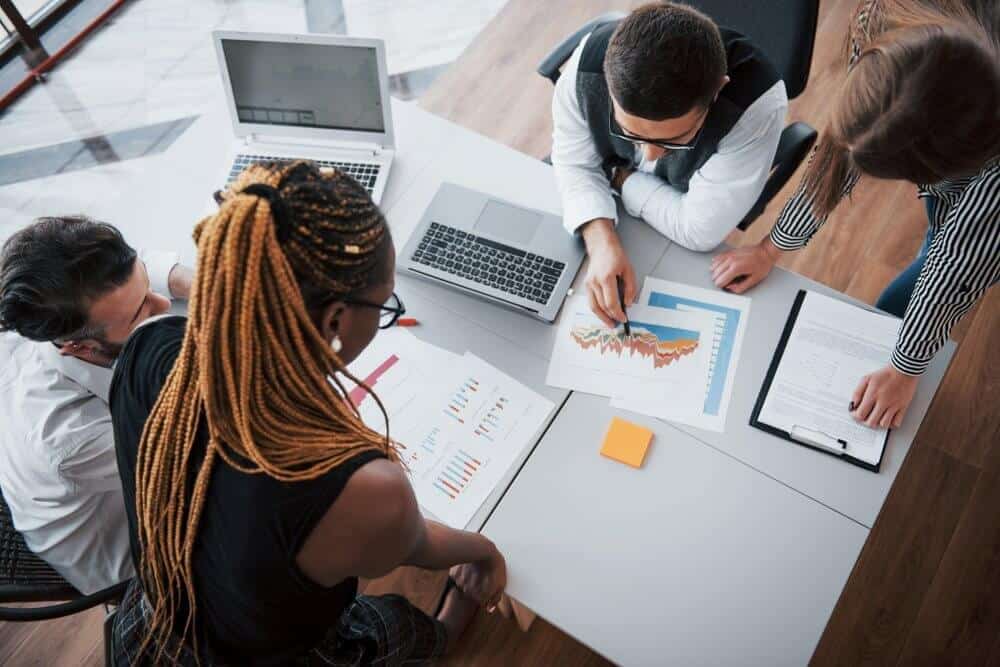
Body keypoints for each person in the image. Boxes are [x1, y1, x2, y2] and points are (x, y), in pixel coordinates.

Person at [108, 161, 506, 665]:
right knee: (402, 628)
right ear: (336, 318)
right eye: (385, 305)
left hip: (155, 620)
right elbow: (417, 544)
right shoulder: (364, 490)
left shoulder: (151, 345)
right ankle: (446, 634)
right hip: (274, 655)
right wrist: (484, 551)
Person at [711, 0, 1000, 429]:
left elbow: (958, 261)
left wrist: (905, 368)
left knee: (925, 273)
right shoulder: (880, 20)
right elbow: (846, 142)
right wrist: (773, 247)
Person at [552, 1, 788, 327]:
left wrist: (617, 177)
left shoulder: (756, 109)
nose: (648, 155)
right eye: (630, 132)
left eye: (674, 139)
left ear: (717, 90)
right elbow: (572, 163)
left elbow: (697, 230)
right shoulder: (585, 70)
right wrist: (600, 241)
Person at [0, 217, 192, 594]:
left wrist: (192, 280)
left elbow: (135, 274)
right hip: (140, 564)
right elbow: (211, 446)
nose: (163, 302)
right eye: (143, 310)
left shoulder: (55, 309)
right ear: (80, 348)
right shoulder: (70, 439)